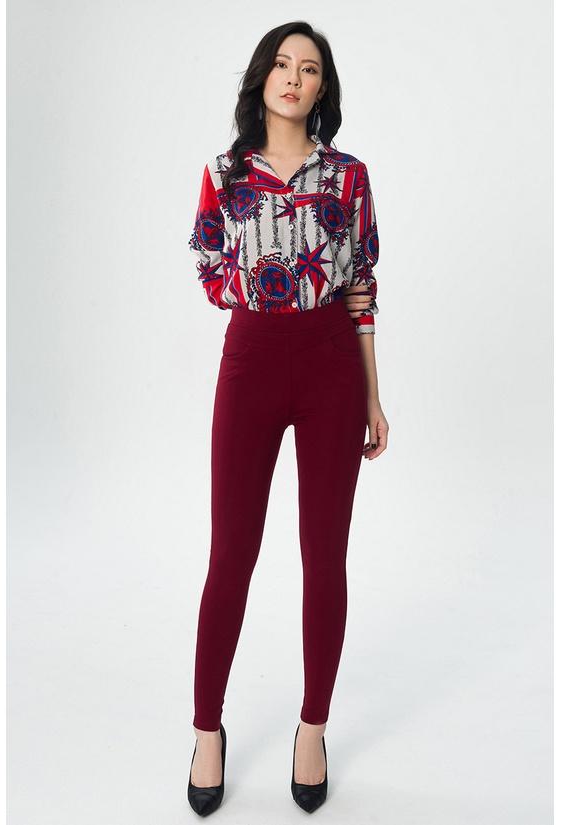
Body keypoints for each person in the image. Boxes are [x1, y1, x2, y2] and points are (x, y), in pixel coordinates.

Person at [185, 21, 389, 816]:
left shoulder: (348, 177)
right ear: (261, 78)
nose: (293, 77)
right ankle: (206, 729)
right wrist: (264, 293)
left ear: (322, 87)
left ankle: (313, 726)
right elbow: (209, 266)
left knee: (323, 555)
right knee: (230, 552)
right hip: (251, 361)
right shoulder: (224, 172)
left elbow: (361, 284)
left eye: (309, 68)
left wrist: (370, 393)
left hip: (332, 364)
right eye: (281, 63)